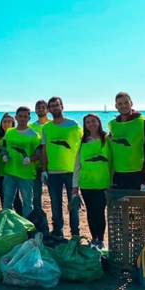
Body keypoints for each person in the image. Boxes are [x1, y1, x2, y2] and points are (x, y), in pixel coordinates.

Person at [41, 96, 83, 240]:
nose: (54, 108)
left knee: (73, 204)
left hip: (72, 172)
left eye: (56, 105)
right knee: (55, 203)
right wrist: (44, 170)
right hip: (53, 172)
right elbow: (44, 150)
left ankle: (75, 233)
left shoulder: (74, 125)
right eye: (51, 106)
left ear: (62, 106)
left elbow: (84, 144)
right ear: (49, 109)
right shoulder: (46, 128)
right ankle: (58, 231)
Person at [71, 114, 111, 249]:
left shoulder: (107, 139)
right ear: (85, 125)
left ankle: (101, 238)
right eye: (87, 122)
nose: (91, 124)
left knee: (99, 211)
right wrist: (75, 186)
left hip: (103, 183)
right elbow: (77, 165)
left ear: (99, 122)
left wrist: (113, 180)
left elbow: (112, 162)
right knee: (90, 212)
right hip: (86, 183)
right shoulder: (82, 142)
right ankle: (94, 238)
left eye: (93, 121)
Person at [108, 92, 145, 189]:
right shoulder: (112, 124)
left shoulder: (143, 121)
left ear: (131, 103)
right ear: (116, 106)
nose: (123, 106)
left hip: (138, 172)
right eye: (120, 104)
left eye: (126, 103)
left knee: (138, 203)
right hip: (118, 173)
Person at [0, 106, 41, 216]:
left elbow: (39, 152)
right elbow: (4, 146)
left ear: (29, 118)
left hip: (26, 175)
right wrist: (4, 154)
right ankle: (6, 225)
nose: (22, 119)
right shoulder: (9, 132)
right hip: (10, 173)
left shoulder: (34, 135)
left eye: (25, 116)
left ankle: (28, 228)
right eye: (20, 116)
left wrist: (30, 159)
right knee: (7, 203)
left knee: (27, 203)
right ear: (16, 118)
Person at [0, 113, 23, 213]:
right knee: (4, 198)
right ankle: (7, 219)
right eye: (4, 121)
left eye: (9, 121)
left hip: (13, 172)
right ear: (1, 123)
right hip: (0, 173)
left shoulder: (16, 136)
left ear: (13, 123)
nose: (7, 124)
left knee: (16, 199)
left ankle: (21, 218)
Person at [29, 100, 50, 217]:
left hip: (51, 165)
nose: (40, 109)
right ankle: (38, 218)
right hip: (36, 165)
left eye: (43, 107)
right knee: (36, 194)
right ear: (35, 110)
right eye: (38, 107)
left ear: (47, 109)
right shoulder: (31, 126)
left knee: (54, 195)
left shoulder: (52, 125)